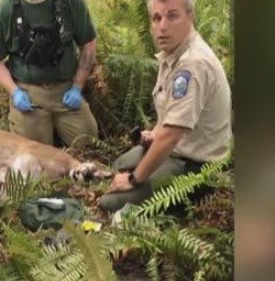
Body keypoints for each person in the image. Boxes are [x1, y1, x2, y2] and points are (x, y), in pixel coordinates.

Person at [99, 0, 232, 212]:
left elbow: (171, 135)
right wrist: (155, 132)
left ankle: (193, 195)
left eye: (172, 16)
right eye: (157, 18)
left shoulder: (192, 64)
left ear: (190, 17)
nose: (162, 26)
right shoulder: (174, 52)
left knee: (111, 203)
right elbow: (170, 119)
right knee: (117, 166)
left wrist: (133, 179)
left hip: (196, 167)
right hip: (177, 148)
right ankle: (145, 172)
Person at [0, 0, 99, 146]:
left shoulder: (71, 4)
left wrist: (78, 86)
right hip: (29, 95)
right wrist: (14, 92)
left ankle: (59, 131)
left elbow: (88, 44)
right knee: (34, 153)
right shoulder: (5, 11)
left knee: (89, 141)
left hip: (65, 90)